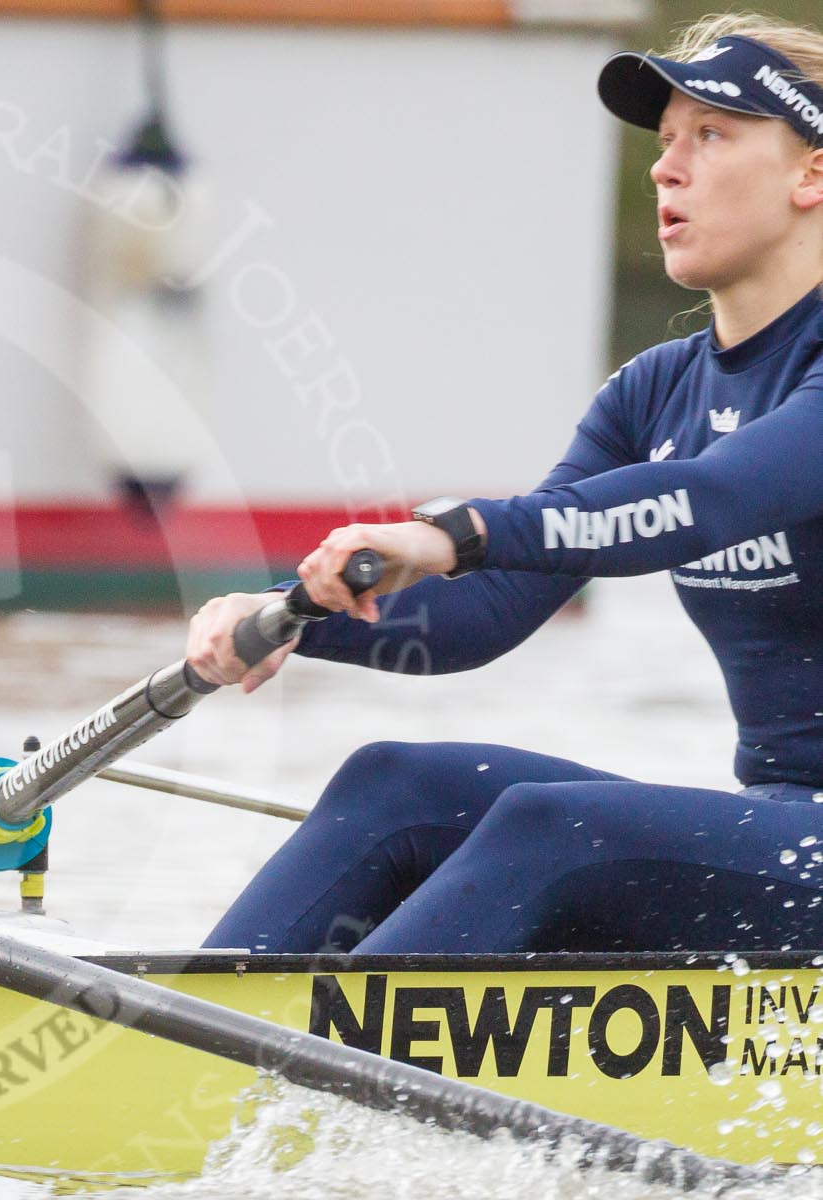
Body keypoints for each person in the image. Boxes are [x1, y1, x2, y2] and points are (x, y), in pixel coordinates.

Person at [187, 15, 823, 955]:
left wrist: (451, 531)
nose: (665, 168)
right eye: (665, 141)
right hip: (785, 830)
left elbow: (709, 502)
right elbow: (479, 616)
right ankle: (186, 1052)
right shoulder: (656, 390)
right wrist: (291, 611)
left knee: (552, 825)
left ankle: (305, 1088)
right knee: (395, 781)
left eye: (712, 135)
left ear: (811, 174)